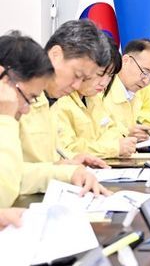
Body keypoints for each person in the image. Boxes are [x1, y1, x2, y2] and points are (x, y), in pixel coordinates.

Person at [0, 32, 108, 215]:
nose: (26, 110)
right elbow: (4, 191)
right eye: (77, 75)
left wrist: (67, 171)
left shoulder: (47, 99)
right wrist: (6, 119)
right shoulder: (9, 113)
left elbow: (16, 174)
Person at [19, 20, 111, 168]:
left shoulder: (51, 99)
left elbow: (48, 157)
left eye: (84, 79)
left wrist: (72, 159)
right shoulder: (18, 96)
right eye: (77, 75)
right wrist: (61, 170)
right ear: (55, 54)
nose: (77, 86)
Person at [55, 35, 138, 158]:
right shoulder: (60, 99)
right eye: (100, 74)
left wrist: (119, 144)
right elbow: (68, 149)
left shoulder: (94, 97)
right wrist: (114, 148)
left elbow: (110, 130)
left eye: (110, 76)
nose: (104, 82)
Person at [104, 39, 150, 140]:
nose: (146, 81)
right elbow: (94, 136)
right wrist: (126, 134)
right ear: (125, 60)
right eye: (145, 72)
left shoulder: (134, 94)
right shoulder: (102, 90)